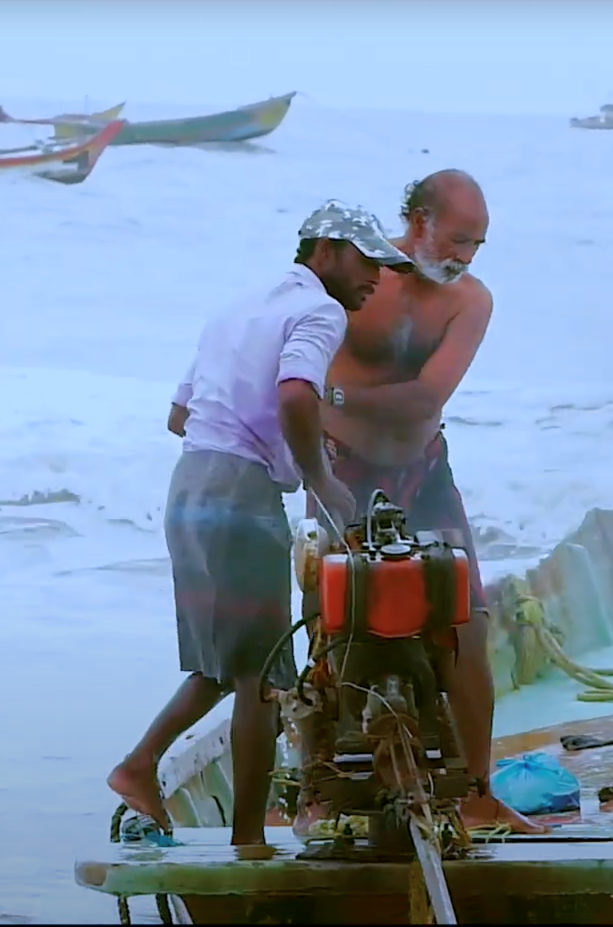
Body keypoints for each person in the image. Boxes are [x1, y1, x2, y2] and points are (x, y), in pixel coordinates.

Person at [108, 200, 416, 845]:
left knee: (226, 668)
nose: (377, 278)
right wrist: (319, 477)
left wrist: (271, 441)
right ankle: (248, 841)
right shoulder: (319, 310)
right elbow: (296, 392)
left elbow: (179, 416)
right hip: (240, 499)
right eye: (366, 261)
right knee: (266, 681)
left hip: (190, 489)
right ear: (323, 251)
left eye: (385, 266)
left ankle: (140, 766)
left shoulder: (238, 310)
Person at [299, 170, 546, 835]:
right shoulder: (356, 275)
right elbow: (294, 355)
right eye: (458, 238)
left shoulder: (471, 301)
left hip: (422, 471)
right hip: (340, 470)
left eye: (478, 244)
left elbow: (425, 397)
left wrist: (338, 398)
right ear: (416, 220)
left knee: (468, 620)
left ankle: (477, 787)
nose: (465, 255)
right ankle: (315, 791)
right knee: (328, 620)